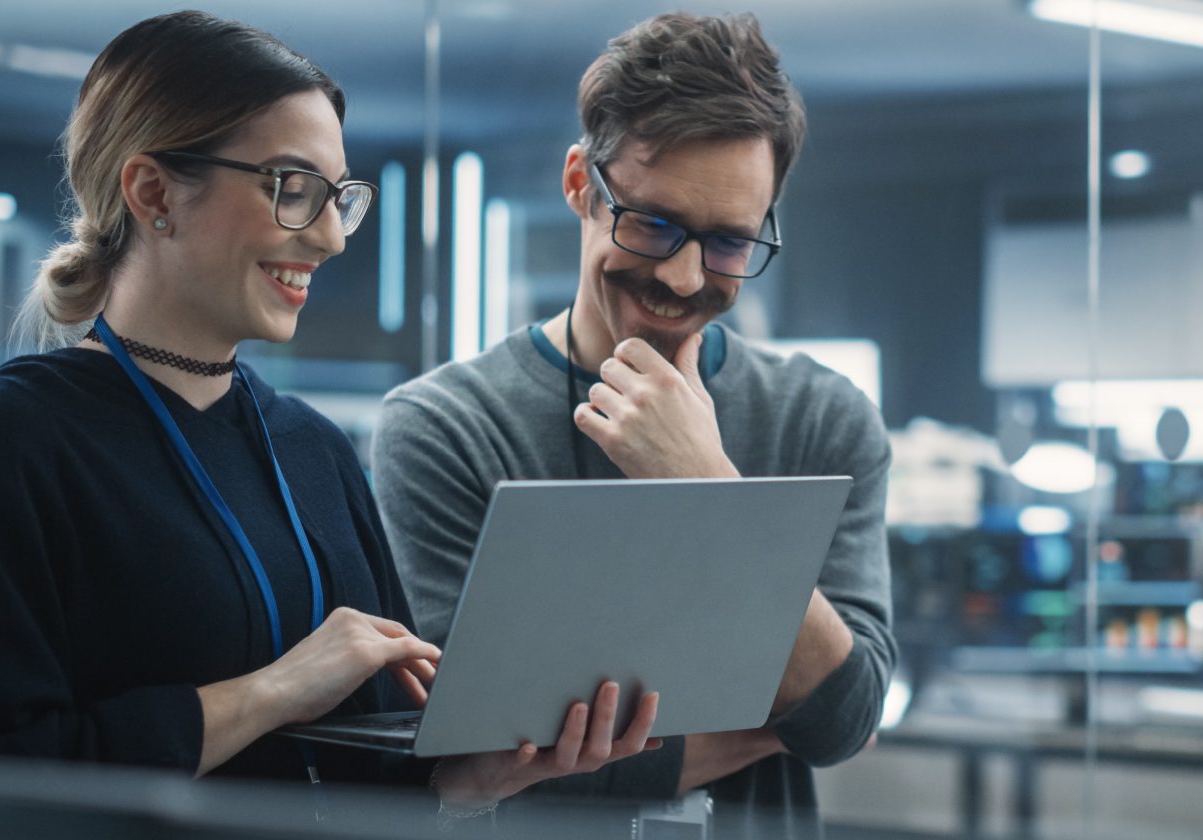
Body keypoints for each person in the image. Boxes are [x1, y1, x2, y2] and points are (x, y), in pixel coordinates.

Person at [0, 10, 654, 813]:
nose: (329, 238)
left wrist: (468, 782)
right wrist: (276, 689)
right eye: (293, 189)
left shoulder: (312, 450)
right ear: (154, 193)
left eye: (338, 198)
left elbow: (376, 769)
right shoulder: (17, 438)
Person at [372, 12, 893, 837]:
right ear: (581, 183)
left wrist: (706, 484)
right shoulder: (443, 426)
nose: (685, 277)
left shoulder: (823, 417)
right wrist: (774, 715)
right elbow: (466, 752)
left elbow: (844, 719)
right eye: (652, 223)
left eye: (728, 242)